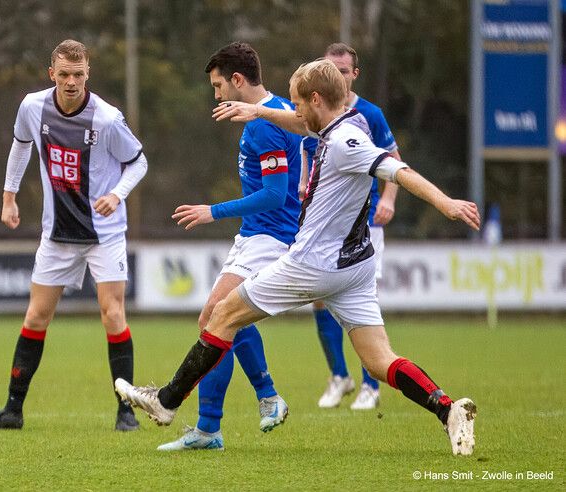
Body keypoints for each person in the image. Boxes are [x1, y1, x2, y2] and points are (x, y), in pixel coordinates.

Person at [116, 59, 480, 456]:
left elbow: (398, 170)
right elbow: (296, 123)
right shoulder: (345, 122)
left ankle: (167, 402)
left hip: (312, 264)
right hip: (354, 267)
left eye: (297, 103)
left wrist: (446, 203)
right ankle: (448, 409)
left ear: (317, 99)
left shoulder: (345, 142)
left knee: (221, 314)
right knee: (378, 361)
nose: (294, 111)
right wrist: (256, 110)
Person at [0, 39, 148, 432]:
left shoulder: (106, 118)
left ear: (88, 73)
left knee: (113, 314)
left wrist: (116, 194)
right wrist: (9, 198)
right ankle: (12, 411)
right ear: (51, 73)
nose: (71, 81)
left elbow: (138, 162)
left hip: (103, 233)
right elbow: (21, 147)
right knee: (37, 316)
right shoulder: (31, 107)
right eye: (64, 74)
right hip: (56, 234)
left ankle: (125, 410)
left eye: (79, 74)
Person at [157, 42, 309, 451]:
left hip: (269, 236)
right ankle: (248, 407)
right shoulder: (274, 113)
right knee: (221, 319)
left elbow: (276, 195)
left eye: (219, 85)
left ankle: (225, 420)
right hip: (254, 234)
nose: (217, 94)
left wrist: (213, 210)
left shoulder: (264, 124)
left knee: (216, 318)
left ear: (238, 80)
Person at [305, 43, 401, 410]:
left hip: (364, 221)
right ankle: (339, 376)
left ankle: (369, 385)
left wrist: (389, 199)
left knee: (364, 301)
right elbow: (306, 153)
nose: (337, 76)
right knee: (318, 299)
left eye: (343, 71)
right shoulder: (316, 110)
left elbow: (393, 160)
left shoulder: (369, 114)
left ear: (354, 74)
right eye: (330, 69)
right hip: (325, 224)